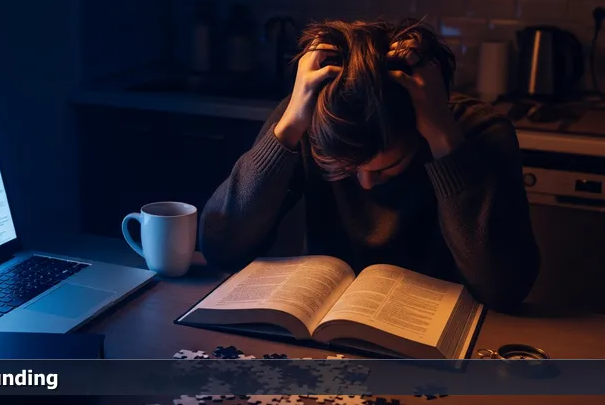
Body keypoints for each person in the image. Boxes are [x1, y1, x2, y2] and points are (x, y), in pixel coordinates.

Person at [198, 18, 540, 313]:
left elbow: (504, 289)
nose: (365, 183)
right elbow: (221, 249)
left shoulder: (478, 131)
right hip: (326, 326)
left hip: (441, 334)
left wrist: (445, 141)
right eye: (344, 169)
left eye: (387, 168)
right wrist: (287, 128)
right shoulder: (312, 116)